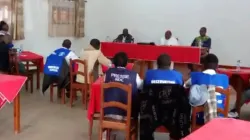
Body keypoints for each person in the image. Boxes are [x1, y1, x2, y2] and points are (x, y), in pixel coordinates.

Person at [141, 54, 190, 140]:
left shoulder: (149, 74)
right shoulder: (177, 75)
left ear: (157, 64)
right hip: (172, 113)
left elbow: (144, 88)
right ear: (170, 64)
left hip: (153, 112)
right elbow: (181, 90)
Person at [102, 52, 142, 139]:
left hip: (109, 112)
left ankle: (107, 135)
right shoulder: (134, 75)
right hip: (128, 114)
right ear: (127, 63)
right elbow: (140, 87)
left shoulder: (108, 73)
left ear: (114, 62)